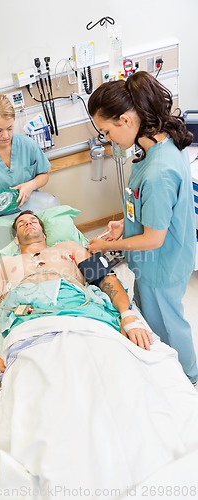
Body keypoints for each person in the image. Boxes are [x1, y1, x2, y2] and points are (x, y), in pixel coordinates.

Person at [87, 71, 198, 385]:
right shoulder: (159, 148)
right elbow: (156, 210)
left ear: (125, 120)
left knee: (169, 326)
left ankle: (187, 378)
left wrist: (103, 246)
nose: (108, 140)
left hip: (161, 264)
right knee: (152, 317)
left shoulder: (158, 171)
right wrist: (125, 223)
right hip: (163, 259)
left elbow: (153, 237)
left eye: (107, 131)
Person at [0, 210, 153, 393]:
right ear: (15, 240)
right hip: (30, 325)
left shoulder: (69, 247)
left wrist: (127, 314)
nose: (28, 223)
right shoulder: (2, 264)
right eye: (22, 224)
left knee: (115, 373)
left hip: (81, 314)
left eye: (33, 221)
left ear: (44, 233)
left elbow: (105, 278)